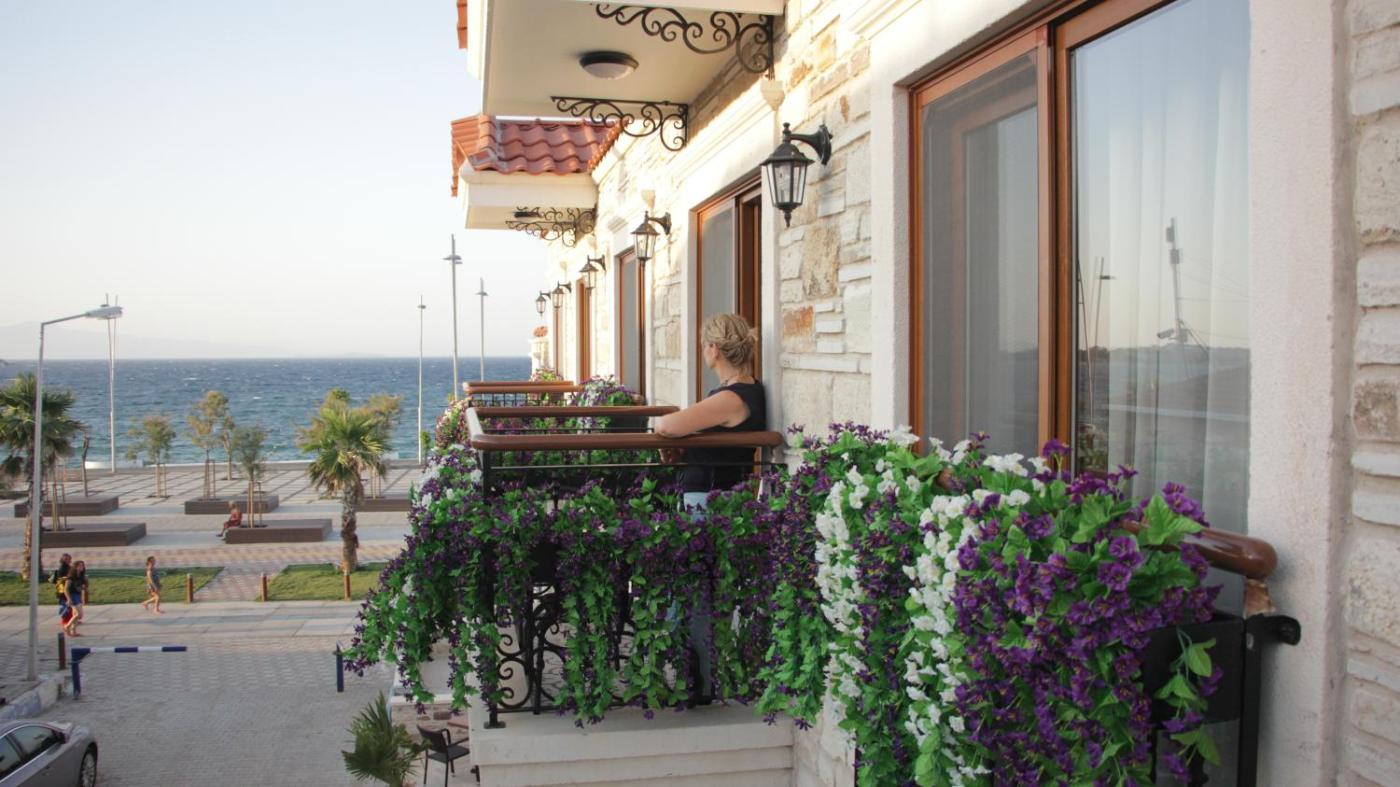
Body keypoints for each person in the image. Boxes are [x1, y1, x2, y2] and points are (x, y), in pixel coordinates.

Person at [653, 313, 766, 705]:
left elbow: (667, 425)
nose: (703, 351)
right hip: (708, 501)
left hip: (709, 504)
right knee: (692, 590)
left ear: (714, 349)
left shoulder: (734, 396)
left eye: (704, 344)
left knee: (695, 592)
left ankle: (699, 682)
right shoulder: (733, 393)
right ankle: (692, 676)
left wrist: (678, 433)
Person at [62, 560, 87, 637]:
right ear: (75, 567)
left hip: (78, 595)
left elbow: (82, 588)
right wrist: (69, 599)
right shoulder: (71, 577)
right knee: (79, 614)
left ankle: (73, 631)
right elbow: (66, 589)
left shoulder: (81, 576)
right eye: (80, 565)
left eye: (82, 566)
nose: (82, 567)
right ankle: (67, 627)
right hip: (72, 595)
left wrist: (83, 597)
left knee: (76, 615)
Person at [51, 553, 72, 625]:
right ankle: (64, 619)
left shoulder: (68, 567)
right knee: (64, 604)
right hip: (62, 588)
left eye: (69, 559)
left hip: (66, 587)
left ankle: (70, 619)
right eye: (66, 559)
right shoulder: (62, 568)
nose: (68, 560)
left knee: (68, 604)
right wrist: (69, 578)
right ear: (62, 560)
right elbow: (61, 579)